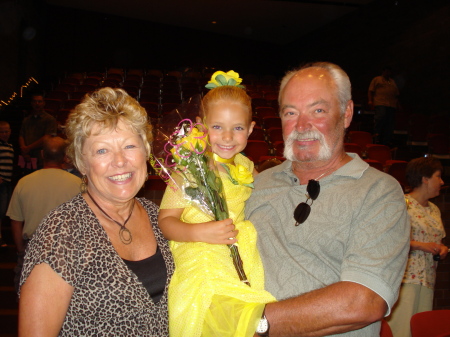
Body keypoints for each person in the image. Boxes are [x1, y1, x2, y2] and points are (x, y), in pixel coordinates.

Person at [246, 62, 410, 336]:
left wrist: (254, 323)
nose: (301, 125)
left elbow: (363, 301)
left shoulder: (379, 192)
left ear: (346, 114)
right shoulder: (256, 183)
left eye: (318, 110)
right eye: (290, 112)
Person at [18, 88, 174, 336]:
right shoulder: (61, 232)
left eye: (130, 145)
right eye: (102, 150)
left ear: (146, 152)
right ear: (81, 162)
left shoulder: (161, 218)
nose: (120, 161)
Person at [158, 72, 275, 337]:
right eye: (217, 127)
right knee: (214, 310)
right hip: (200, 251)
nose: (227, 137)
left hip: (239, 252)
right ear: (200, 126)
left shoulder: (247, 167)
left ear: (252, 129)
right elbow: (166, 221)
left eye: (238, 128)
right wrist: (200, 232)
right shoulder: (191, 167)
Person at [7, 136, 81, 291]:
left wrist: (21, 250)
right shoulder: (78, 184)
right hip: (67, 250)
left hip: (33, 247)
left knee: (30, 298)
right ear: (64, 156)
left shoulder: (24, 182)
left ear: (42, 154)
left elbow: (15, 222)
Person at [387, 157, 448, 337]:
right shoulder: (402, 204)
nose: (442, 182)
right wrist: (420, 245)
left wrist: (442, 249)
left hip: (428, 278)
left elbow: (437, 240)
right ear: (425, 178)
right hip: (405, 279)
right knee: (401, 330)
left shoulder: (434, 209)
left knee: (421, 330)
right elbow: (389, 240)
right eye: (438, 176)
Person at [19, 93, 57, 170]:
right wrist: (24, 149)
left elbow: (47, 138)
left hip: (41, 157)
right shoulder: (26, 120)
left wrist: (28, 148)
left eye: (39, 101)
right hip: (26, 156)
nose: (37, 104)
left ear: (43, 103)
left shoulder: (49, 119)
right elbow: (21, 135)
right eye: (35, 101)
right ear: (31, 103)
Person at [368, 66, 400, 146]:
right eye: (386, 71)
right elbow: (370, 90)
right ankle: (376, 136)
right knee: (381, 117)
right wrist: (370, 100)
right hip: (380, 102)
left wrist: (398, 104)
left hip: (391, 104)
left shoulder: (392, 82)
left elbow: (396, 94)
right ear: (383, 71)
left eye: (389, 71)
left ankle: (387, 140)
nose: (388, 73)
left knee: (389, 122)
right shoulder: (377, 79)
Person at [0, 121, 14, 249]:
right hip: (1, 182)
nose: (5, 134)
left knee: (3, 211)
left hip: (7, 182)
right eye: (2, 132)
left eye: (7, 131)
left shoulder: (9, 146)